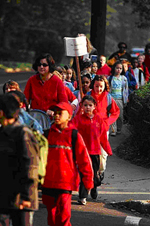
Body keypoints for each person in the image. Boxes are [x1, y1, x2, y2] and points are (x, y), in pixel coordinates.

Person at [42, 102, 93, 226]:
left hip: (65, 183)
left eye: (60, 113)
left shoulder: (74, 135)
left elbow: (84, 160)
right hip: (48, 182)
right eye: (55, 113)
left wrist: (88, 181)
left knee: (64, 217)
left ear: (69, 117)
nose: (57, 116)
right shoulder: (47, 134)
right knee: (52, 218)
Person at [0, 93, 40, 226]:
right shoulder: (3, 134)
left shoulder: (24, 134)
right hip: (5, 197)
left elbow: (31, 167)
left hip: (22, 199)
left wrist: (26, 196)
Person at [70, 95, 112, 204]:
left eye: (90, 105)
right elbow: (70, 131)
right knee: (85, 174)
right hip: (82, 153)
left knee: (94, 175)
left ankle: (94, 187)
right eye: (85, 105)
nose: (87, 107)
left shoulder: (99, 120)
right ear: (81, 106)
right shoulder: (77, 119)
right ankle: (82, 196)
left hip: (95, 152)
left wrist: (108, 150)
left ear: (94, 106)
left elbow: (103, 137)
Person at [85, 75, 120, 174]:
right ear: (93, 85)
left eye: (101, 86)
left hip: (103, 130)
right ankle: (90, 173)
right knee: (88, 152)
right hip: (88, 129)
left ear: (105, 86)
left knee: (102, 154)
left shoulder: (108, 97)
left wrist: (107, 122)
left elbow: (116, 112)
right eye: (96, 86)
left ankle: (100, 171)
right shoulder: (88, 96)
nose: (98, 89)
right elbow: (81, 111)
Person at [108, 61, 128, 135]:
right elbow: (108, 90)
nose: (119, 70)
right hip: (112, 99)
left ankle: (119, 129)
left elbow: (125, 90)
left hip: (120, 99)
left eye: (120, 68)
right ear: (114, 68)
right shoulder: (110, 78)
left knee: (120, 115)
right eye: (117, 68)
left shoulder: (124, 79)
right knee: (112, 114)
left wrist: (125, 100)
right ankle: (113, 130)